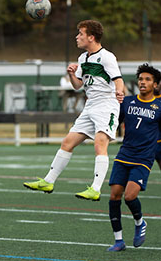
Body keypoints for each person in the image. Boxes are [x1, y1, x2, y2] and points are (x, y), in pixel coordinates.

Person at [24, 19, 125, 201]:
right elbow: (78, 86)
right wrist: (72, 74)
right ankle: (49, 181)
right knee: (67, 143)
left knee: (99, 145)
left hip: (106, 105)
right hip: (90, 106)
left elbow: (118, 78)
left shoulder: (107, 57)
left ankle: (95, 189)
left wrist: (119, 90)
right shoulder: (82, 58)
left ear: (91, 37)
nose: (76, 37)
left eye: (80, 34)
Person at [107, 64, 161, 252]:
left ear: (155, 84)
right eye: (141, 79)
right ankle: (118, 241)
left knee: (130, 196)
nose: (143, 82)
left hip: (143, 158)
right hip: (124, 154)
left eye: (148, 79)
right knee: (115, 195)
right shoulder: (127, 102)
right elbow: (116, 122)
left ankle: (140, 222)